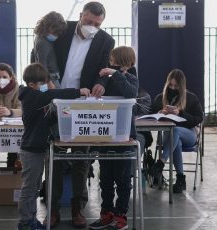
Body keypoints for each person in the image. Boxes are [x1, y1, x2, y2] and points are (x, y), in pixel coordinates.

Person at [47, 2, 115, 228]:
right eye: (88, 22)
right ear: (80, 16)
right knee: (54, 157)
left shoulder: (106, 40)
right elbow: (39, 53)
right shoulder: (62, 29)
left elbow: (104, 71)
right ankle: (53, 208)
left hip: (83, 105)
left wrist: (101, 84)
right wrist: (46, 83)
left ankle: (78, 209)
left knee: (82, 158)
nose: (92, 27)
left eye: (97, 24)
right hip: (55, 100)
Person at [16, 63, 90, 230]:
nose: (47, 86)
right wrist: (79, 92)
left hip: (36, 149)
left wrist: (63, 116)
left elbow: (45, 121)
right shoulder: (31, 96)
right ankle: (25, 222)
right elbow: (54, 93)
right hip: (31, 151)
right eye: (44, 83)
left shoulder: (34, 96)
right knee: (29, 188)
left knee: (34, 187)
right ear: (32, 85)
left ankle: (31, 220)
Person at [88, 46, 138, 230]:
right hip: (106, 136)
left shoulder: (130, 78)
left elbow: (130, 93)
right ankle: (106, 213)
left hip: (124, 138)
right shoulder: (107, 80)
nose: (110, 62)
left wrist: (114, 73)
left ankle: (120, 216)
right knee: (106, 179)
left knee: (123, 180)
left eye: (113, 60)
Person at [150, 69, 203, 193]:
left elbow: (198, 118)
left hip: (189, 134)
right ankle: (180, 179)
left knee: (176, 131)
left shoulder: (191, 98)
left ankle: (161, 163)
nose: (172, 88)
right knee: (176, 141)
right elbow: (151, 115)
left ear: (182, 86)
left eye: (176, 86)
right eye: (170, 85)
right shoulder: (160, 98)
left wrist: (181, 113)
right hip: (170, 138)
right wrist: (159, 113)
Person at [31, 11, 67, 88]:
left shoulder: (39, 37)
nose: (57, 34)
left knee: (46, 96)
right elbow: (42, 64)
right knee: (58, 98)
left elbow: (33, 54)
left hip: (46, 78)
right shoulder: (43, 42)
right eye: (56, 31)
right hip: (50, 78)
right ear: (48, 26)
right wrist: (48, 82)